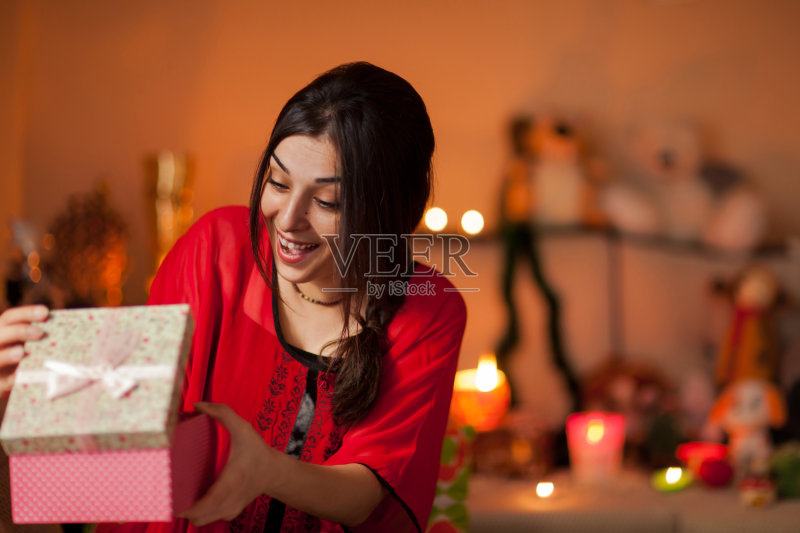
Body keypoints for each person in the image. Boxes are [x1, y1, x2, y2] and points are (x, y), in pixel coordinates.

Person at [0, 62, 467, 532]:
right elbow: (115, 467)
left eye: (327, 202)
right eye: (279, 183)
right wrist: (41, 401)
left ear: (386, 213)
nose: (287, 219)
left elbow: (367, 495)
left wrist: (263, 469)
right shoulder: (213, 251)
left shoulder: (430, 307)